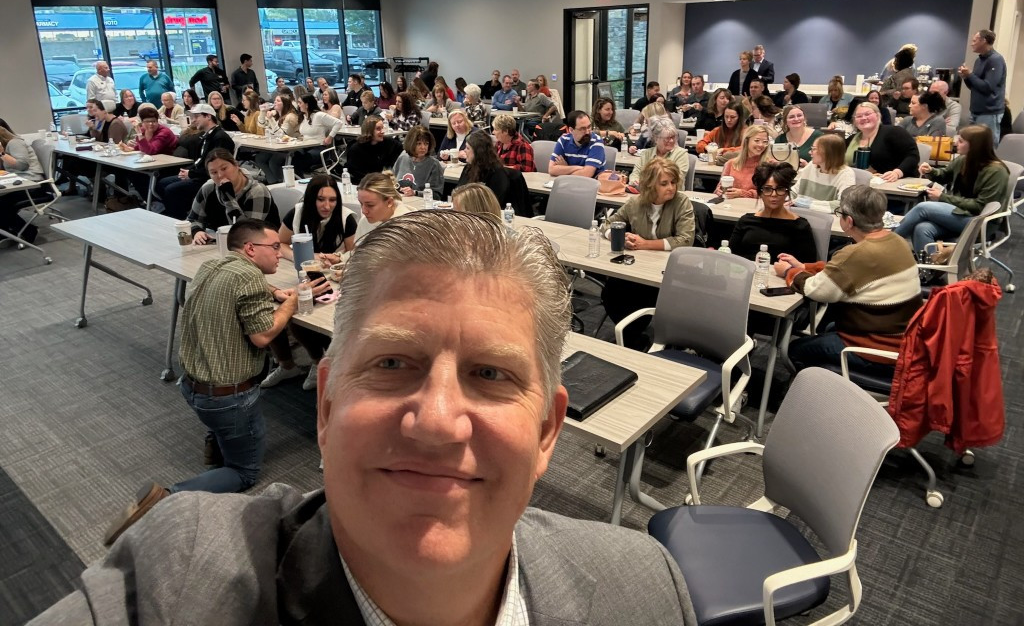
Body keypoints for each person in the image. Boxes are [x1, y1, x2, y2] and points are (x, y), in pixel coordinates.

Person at [35, 209, 700, 625]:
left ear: (548, 432)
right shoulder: (179, 579)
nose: (437, 421)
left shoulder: (643, 586)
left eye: (491, 374)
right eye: (391, 364)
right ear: (325, 405)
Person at [99, 219, 298, 548]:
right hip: (227, 398)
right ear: (250, 249)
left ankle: (217, 441)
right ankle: (166, 499)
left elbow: (246, 288)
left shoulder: (213, 265)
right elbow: (263, 336)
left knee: (227, 427)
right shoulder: (249, 276)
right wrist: (289, 304)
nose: (281, 254)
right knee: (244, 472)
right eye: (275, 247)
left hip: (193, 386)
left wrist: (274, 291)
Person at [779, 186, 923, 377]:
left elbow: (817, 290)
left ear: (849, 221)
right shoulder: (896, 241)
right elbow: (847, 273)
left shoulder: (857, 253)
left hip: (879, 351)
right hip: (907, 342)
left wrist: (790, 272)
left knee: (795, 350)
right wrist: (806, 267)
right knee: (828, 327)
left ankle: (815, 398)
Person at [265, 175, 357, 391]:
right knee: (271, 309)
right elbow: (281, 243)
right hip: (299, 274)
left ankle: (318, 362)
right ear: (310, 199)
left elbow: (353, 253)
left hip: (333, 281)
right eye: (320, 199)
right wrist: (304, 256)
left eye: (332, 200)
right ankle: (287, 365)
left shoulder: (346, 219)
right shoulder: (297, 214)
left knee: (298, 318)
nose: (327, 206)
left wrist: (337, 258)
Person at [603, 157, 696, 349]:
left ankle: (635, 335)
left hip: (668, 271)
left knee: (644, 295)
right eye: (664, 183)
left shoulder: (681, 202)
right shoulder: (635, 203)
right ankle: (632, 335)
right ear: (650, 185)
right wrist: (617, 236)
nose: (671, 187)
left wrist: (646, 244)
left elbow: (686, 240)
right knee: (611, 292)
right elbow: (607, 223)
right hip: (638, 266)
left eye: (673, 182)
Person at [895, 125, 1010, 253]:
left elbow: (981, 206)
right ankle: (930, 270)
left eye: (961, 141)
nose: (955, 143)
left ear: (974, 146)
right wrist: (931, 171)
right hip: (960, 213)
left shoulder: (996, 172)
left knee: (923, 208)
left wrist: (943, 197)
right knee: (922, 228)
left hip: (980, 221)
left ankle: (888, 243)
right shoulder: (963, 160)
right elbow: (944, 175)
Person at [156, 103, 235, 219]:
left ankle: (182, 219)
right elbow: (200, 160)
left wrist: (191, 174)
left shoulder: (220, 138)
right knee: (162, 183)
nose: (193, 121)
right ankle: (184, 211)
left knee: (171, 190)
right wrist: (188, 171)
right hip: (199, 173)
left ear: (208, 116)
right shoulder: (206, 136)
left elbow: (217, 168)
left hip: (208, 178)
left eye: (196, 117)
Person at [728, 162, 817, 263]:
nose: (774, 194)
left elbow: (808, 266)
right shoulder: (746, 221)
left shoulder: (799, 226)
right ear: (760, 193)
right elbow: (730, 256)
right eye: (767, 189)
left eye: (780, 189)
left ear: (787, 192)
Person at [186, 149, 280, 244]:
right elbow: (192, 219)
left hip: (262, 245)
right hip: (224, 244)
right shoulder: (209, 188)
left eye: (224, 168)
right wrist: (197, 231)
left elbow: (247, 234)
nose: (220, 175)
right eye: (214, 172)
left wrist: (228, 197)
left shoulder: (257, 191)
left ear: (236, 165)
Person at [844, 101, 919, 182]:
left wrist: (897, 173)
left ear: (877, 115)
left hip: (893, 183)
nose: (863, 118)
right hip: (858, 182)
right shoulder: (851, 139)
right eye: (859, 116)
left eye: (867, 114)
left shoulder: (894, 132)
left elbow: (912, 156)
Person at [959, 29, 1007, 146]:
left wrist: (970, 74)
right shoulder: (979, 60)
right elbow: (975, 87)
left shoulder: (996, 60)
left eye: (974, 40)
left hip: (989, 112)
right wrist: (966, 77)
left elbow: (988, 87)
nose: (972, 43)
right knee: (972, 147)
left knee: (986, 147)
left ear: (983, 41)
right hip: (976, 111)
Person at [0, 126, 46, 242]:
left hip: (32, 183)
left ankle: (28, 231)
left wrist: (2, 153)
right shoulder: (8, 145)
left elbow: (22, 165)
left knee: (1, 204)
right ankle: (7, 231)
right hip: (20, 181)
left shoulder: (15, 143)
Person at [793, 133, 855, 212]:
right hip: (801, 212)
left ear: (828, 152)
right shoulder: (811, 166)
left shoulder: (846, 174)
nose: (809, 152)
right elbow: (794, 192)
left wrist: (805, 204)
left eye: (814, 149)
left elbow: (844, 204)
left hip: (826, 218)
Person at [456, 129, 514, 206]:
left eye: (468, 148)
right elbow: (458, 192)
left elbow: (492, 203)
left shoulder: (496, 173)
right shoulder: (468, 168)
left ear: (478, 151)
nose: (464, 151)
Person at [254, 94, 301, 185]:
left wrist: (271, 119)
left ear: (285, 104)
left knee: (273, 161)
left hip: (292, 147)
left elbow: (282, 135)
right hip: (278, 146)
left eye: (278, 101)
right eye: (275, 100)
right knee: (260, 158)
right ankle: (273, 181)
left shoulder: (291, 117)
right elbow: (261, 124)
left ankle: (279, 182)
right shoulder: (275, 114)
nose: (275, 102)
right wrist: (263, 112)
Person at [715, 124, 771, 198]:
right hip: (731, 206)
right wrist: (719, 191)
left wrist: (742, 193)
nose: (761, 145)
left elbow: (769, 193)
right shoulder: (730, 164)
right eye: (757, 141)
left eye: (765, 142)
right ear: (746, 141)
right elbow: (717, 190)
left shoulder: (770, 166)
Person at [354, 171, 411, 241]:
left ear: (389, 202)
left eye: (370, 205)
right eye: (361, 204)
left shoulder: (408, 228)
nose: (364, 211)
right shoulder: (365, 221)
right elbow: (356, 251)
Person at [345, 114, 402, 183]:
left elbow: (401, 150)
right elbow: (355, 173)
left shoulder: (387, 142)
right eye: (378, 129)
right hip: (364, 184)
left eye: (382, 128)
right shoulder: (356, 149)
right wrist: (378, 179)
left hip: (381, 182)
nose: (382, 131)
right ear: (369, 131)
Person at [629, 120, 689, 185]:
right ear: (656, 139)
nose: (671, 141)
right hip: (645, 192)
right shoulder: (646, 154)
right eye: (667, 138)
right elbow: (635, 174)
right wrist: (635, 181)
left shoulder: (681, 154)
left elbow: (677, 179)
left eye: (673, 137)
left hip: (671, 193)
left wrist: (647, 183)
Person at [550, 110, 605, 178]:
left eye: (589, 127)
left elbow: (587, 174)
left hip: (591, 185)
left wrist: (565, 168)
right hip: (568, 185)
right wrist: (578, 168)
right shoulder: (563, 140)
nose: (587, 132)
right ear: (571, 130)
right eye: (582, 129)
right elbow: (552, 169)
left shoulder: (597, 142)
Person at [392, 125, 444, 196]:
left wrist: (415, 193)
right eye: (419, 144)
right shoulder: (403, 157)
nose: (423, 147)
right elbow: (392, 182)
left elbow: (436, 195)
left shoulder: (434, 164)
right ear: (411, 143)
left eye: (426, 144)